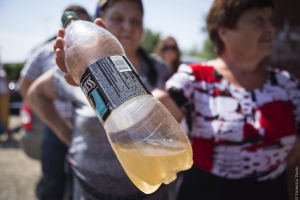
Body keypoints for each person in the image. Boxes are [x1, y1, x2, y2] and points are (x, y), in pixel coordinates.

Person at [52, 0, 300, 199]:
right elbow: (150, 110)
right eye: (259, 20)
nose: (271, 28)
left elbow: (294, 158)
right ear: (224, 31)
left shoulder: (288, 84)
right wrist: (102, 81)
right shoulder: (196, 78)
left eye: (269, 20)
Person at [27, 0, 172, 200]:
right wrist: (65, 135)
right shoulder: (80, 68)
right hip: (90, 191)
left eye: (135, 20)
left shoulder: (160, 69)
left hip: (153, 189)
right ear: (100, 24)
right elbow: (35, 94)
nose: (128, 27)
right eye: (118, 19)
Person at [18, 5, 91, 200]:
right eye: (72, 23)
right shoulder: (44, 52)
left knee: (86, 182)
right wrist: (45, 114)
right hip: (54, 128)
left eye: (83, 22)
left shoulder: (94, 52)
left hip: (87, 129)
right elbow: (25, 86)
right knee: (53, 180)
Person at [0, 65, 10, 137]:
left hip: (4, 95)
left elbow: (7, 81)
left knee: (4, 114)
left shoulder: (2, 69)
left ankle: (6, 131)